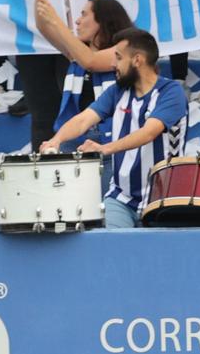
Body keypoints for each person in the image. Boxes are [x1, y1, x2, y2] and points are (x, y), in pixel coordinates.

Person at [39, 28, 189, 228]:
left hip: (163, 198)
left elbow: (149, 132)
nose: (112, 64)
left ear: (137, 60)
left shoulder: (171, 92)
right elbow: (83, 120)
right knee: (108, 250)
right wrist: (56, 140)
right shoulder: (117, 91)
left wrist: (104, 148)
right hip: (121, 198)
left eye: (118, 58)